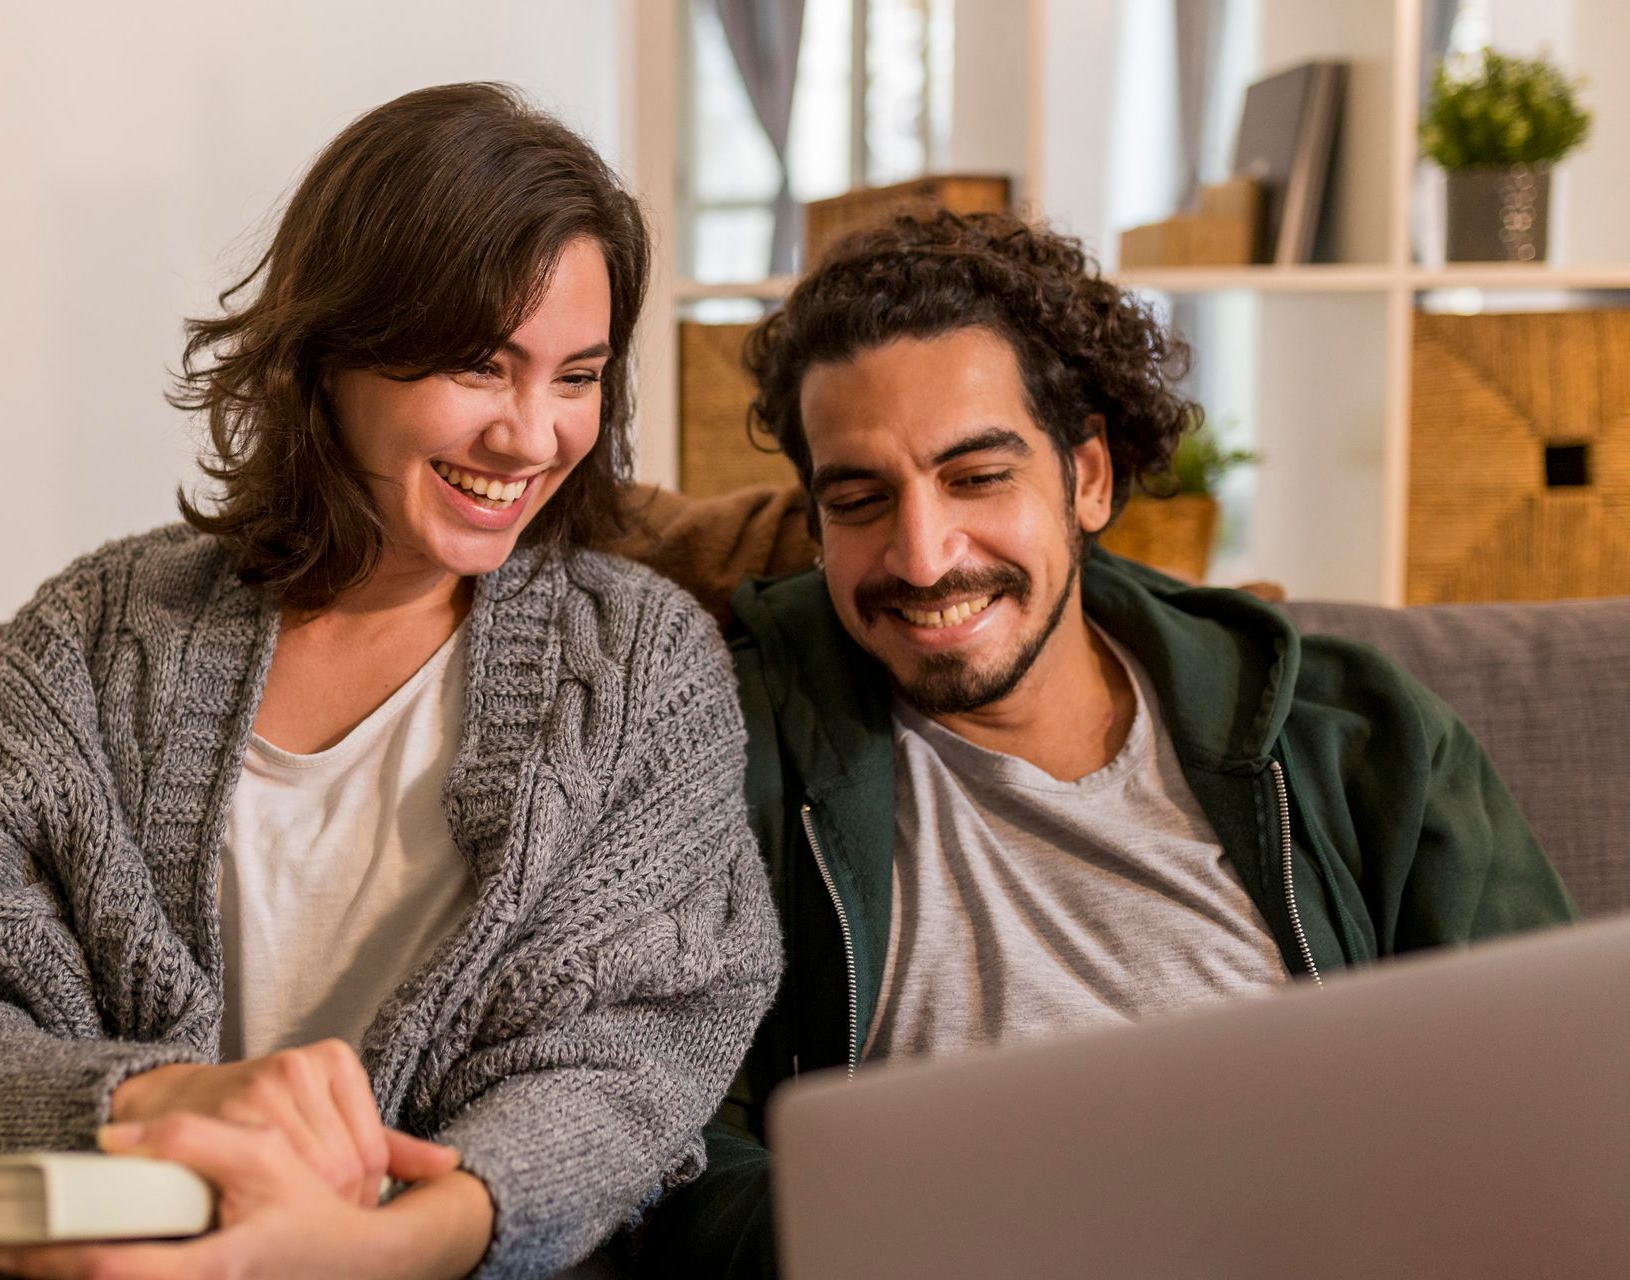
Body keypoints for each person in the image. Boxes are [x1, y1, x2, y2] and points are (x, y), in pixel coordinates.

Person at [0, 82, 781, 1280]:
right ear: (333, 351)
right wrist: (178, 1099)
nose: (531, 434)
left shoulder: (645, 667)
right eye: (479, 365)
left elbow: (631, 1066)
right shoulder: (96, 632)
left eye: (576, 375)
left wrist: (383, 1244)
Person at [640, 210, 1577, 1275]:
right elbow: (667, 1145)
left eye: (977, 477)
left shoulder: (1360, 739)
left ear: (1086, 476)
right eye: (859, 499)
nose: (923, 552)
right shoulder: (729, 753)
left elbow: (1554, 1094)